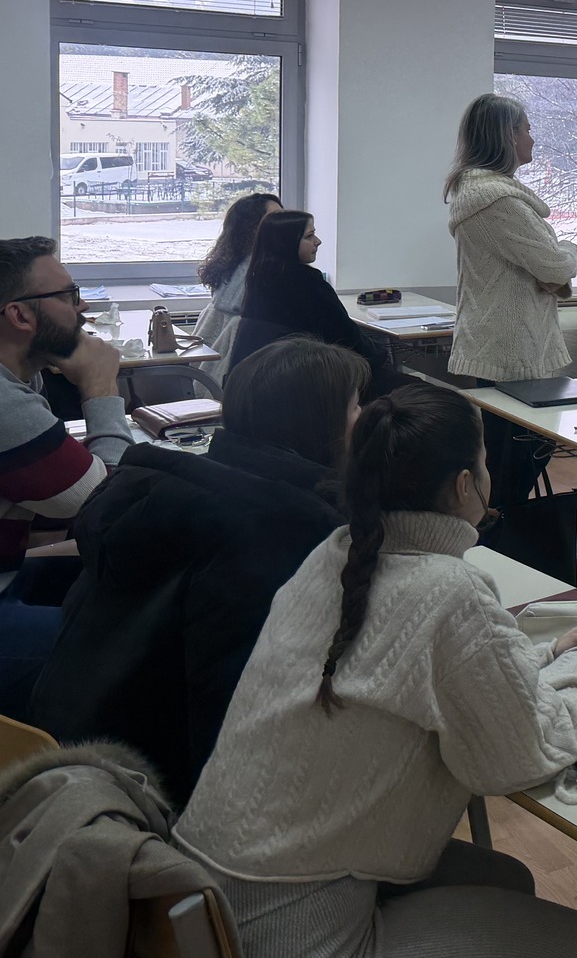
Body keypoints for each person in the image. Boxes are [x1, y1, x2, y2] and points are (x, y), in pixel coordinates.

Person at [174, 379, 577, 958]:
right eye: (484, 464)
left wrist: (544, 657)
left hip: (219, 895)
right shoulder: (446, 589)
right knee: (573, 944)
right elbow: (522, 755)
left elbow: (420, 678)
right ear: (465, 485)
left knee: (503, 878)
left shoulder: (334, 555)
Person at [32, 336, 367, 800]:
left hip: (70, 750)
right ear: (319, 424)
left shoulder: (172, 489)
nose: (365, 420)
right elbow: (229, 703)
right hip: (157, 792)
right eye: (355, 407)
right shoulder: (284, 532)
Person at [444, 92, 577, 580]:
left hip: (504, 346)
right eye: (526, 128)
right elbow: (553, 265)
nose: (533, 137)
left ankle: (500, 570)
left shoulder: (488, 195)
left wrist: (551, 268)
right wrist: (569, 249)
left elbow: (544, 271)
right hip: (509, 352)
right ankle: (500, 573)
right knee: (507, 479)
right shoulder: (496, 201)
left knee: (512, 467)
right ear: (506, 136)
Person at [0, 236, 132, 719]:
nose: (83, 307)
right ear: (20, 315)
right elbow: (110, 504)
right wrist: (101, 387)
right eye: (69, 295)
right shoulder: (4, 404)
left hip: (9, 572)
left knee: (129, 580)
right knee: (137, 646)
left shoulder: (18, 380)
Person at [229, 209, 396, 388]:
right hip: (306, 384)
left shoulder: (259, 280)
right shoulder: (308, 283)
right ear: (287, 242)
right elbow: (347, 336)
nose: (318, 241)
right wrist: (382, 355)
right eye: (309, 236)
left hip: (258, 384)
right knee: (412, 389)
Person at [193, 190, 281, 355]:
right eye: (276, 218)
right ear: (252, 228)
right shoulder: (258, 271)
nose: (285, 223)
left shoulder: (231, 264)